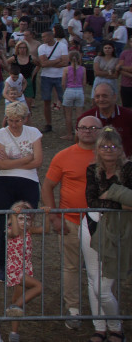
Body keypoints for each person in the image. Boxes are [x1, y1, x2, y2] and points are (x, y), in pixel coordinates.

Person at [42, 115, 104, 330]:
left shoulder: (107, 156)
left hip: (102, 224)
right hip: (71, 221)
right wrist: (54, 216)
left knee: (101, 270)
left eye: (93, 127)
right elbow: (48, 187)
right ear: (76, 131)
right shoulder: (63, 156)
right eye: (83, 128)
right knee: (71, 267)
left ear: (101, 130)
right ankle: (74, 310)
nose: (88, 131)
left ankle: (104, 314)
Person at [84, 126, 130, 341]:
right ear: (97, 149)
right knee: (93, 279)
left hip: (119, 229)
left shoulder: (129, 170)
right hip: (92, 224)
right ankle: (100, 327)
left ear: (121, 149)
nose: (108, 150)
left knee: (103, 287)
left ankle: (116, 325)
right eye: (104, 146)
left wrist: (111, 195)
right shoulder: (92, 170)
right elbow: (92, 200)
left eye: (113, 146)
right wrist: (121, 199)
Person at [0, 102, 42, 282]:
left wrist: (11, 159)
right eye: (10, 120)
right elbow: (1, 165)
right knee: (6, 225)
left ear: (25, 118)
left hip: (29, 182)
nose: (14, 124)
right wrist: (27, 158)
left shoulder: (33, 133)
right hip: (4, 183)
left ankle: (23, 266)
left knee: (25, 224)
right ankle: (4, 267)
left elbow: (38, 161)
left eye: (17, 120)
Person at [2, 201, 44, 342]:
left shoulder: (28, 231)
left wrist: (49, 214)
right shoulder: (11, 231)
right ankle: (15, 307)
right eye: (21, 218)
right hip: (15, 269)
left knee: (16, 299)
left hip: (25, 268)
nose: (24, 222)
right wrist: (14, 215)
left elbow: (46, 229)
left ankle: (14, 333)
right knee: (39, 287)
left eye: (27, 219)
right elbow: (14, 232)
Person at [79, 83, 132, 155]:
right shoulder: (86, 118)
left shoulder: (128, 116)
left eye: (105, 96)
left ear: (114, 97)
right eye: (97, 96)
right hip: (95, 161)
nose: (101, 99)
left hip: (123, 161)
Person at [38, 29, 69, 133]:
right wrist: (57, 60)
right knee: (46, 101)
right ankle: (48, 124)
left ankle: (68, 123)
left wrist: (49, 62)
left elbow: (65, 62)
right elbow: (43, 63)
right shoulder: (41, 47)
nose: (43, 39)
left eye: (44, 37)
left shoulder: (62, 46)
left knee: (64, 100)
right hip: (46, 76)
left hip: (60, 76)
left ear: (51, 36)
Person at [62, 52, 88, 140]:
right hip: (79, 90)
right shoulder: (83, 69)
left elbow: (63, 83)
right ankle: (79, 134)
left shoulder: (66, 69)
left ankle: (69, 134)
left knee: (68, 115)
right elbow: (84, 83)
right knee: (79, 115)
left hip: (69, 90)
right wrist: (83, 92)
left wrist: (64, 91)